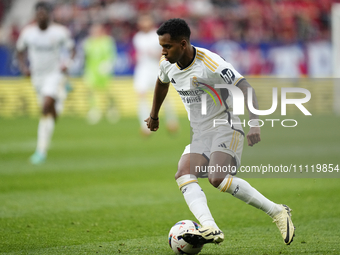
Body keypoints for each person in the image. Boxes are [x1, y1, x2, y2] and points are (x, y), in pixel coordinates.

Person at [145, 18, 295, 246]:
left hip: (226, 126)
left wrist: (255, 123)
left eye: (167, 46)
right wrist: (154, 115)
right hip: (200, 133)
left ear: (183, 44)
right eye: (162, 47)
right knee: (183, 173)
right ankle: (210, 227)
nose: (163, 52)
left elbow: (245, 87)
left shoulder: (211, 63)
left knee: (217, 178)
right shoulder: (166, 63)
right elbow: (162, 82)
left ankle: (277, 212)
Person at [16, 1, 75, 164]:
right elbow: (20, 51)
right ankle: (60, 98)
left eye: (44, 13)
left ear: (49, 15)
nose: (41, 16)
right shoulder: (28, 33)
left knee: (45, 107)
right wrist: (24, 68)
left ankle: (40, 151)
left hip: (54, 74)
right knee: (50, 113)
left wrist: (67, 64)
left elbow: (72, 50)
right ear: (35, 15)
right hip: (37, 77)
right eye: (38, 13)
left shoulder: (59, 32)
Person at [133, 14, 178, 135]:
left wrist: (158, 55)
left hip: (157, 68)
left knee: (163, 96)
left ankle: (171, 121)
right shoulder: (138, 37)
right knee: (141, 96)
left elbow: (166, 52)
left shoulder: (157, 36)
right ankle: (145, 126)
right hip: (143, 69)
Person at [83, 23, 119, 124]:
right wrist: (86, 70)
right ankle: (94, 110)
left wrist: (108, 66)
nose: (95, 32)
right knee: (91, 91)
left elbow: (112, 55)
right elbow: (86, 57)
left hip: (104, 72)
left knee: (108, 91)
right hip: (92, 71)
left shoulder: (107, 41)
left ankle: (111, 109)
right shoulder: (88, 42)